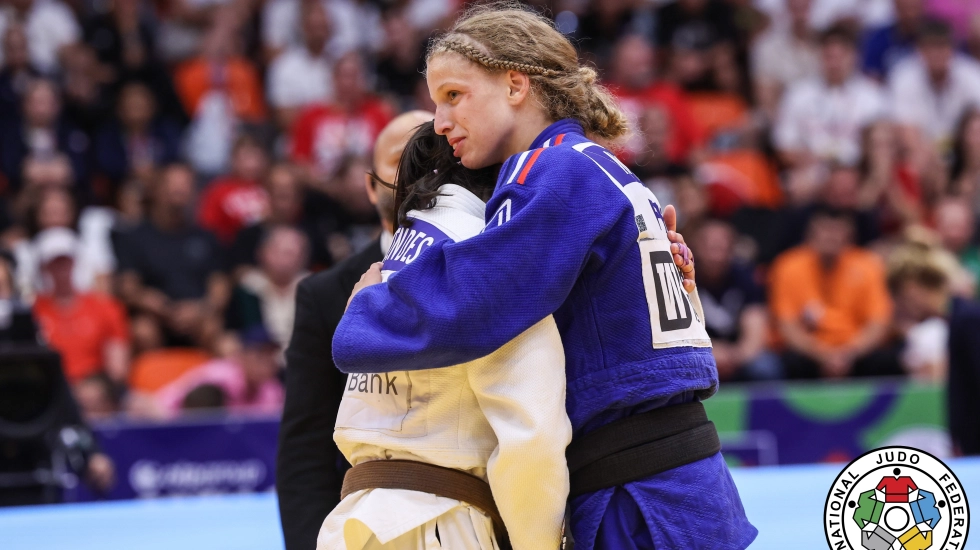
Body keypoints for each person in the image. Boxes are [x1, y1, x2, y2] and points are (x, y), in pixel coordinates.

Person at [332, 5, 755, 549]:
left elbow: (477, 298)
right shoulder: (601, 166)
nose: (438, 121)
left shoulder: (551, 169)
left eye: (455, 96)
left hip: (639, 496)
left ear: (515, 85)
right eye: (437, 102)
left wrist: (367, 309)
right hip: (675, 485)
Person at [319, 121, 571, 550]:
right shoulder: (482, 254)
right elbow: (531, 437)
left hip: (355, 520)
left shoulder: (399, 250)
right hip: (437, 523)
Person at [276, 110, 433, 550]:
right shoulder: (324, 296)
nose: (417, 173)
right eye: (403, 158)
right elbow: (305, 447)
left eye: (432, 156)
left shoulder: (490, 266)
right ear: (369, 185)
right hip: (370, 520)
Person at [768, 206, 896, 379]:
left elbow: (878, 322)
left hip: (855, 352)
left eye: (837, 230)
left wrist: (849, 354)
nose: (830, 236)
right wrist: (824, 355)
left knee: (887, 361)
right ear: (810, 234)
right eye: (825, 229)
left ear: (850, 236)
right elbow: (787, 326)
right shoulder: (788, 266)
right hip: (808, 353)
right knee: (785, 363)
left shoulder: (869, 266)